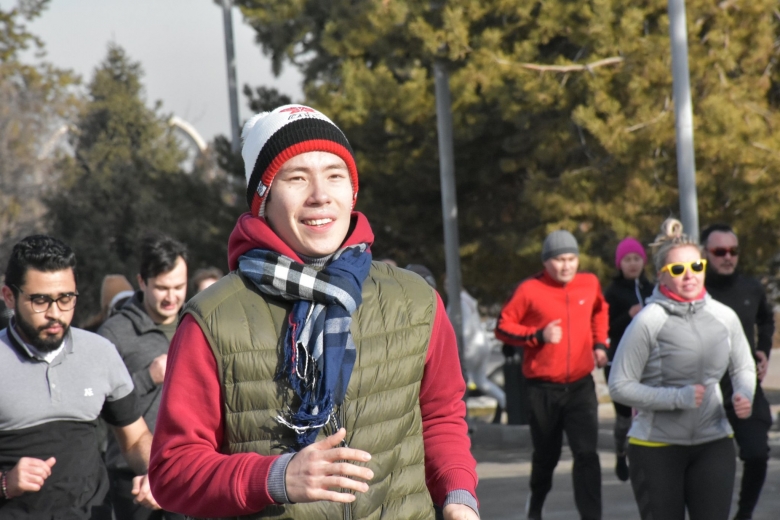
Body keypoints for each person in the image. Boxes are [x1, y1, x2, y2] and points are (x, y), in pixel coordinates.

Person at [148, 105, 479, 519]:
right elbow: (172, 471)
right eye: (297, 177)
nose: (320, 195)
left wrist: (458, 495)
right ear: (264, 199)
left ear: (352, 192)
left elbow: (441, 417)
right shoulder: (212, 319)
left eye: (335, 175)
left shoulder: (416, 300)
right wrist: (275, 477)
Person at [0, 235, 158, 519]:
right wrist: (4, 484)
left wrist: (154, 473)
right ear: (9, 296)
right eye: (40, 300)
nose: (55, 314)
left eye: (66, 299)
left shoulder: (100, 352)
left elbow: (135, 440)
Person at [609, 218, 756, 520]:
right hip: (655, 446)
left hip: (714, 441)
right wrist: (678, 398)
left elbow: (743, 366)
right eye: (678, 269)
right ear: (661, 276)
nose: (689, 276)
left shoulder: (724, 316)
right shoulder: (648, 320)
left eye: (696, 266)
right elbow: (619, 385)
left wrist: (744, 393)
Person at [495, 230, 609, 520]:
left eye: (571, 259)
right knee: (547, 456)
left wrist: (599, 344)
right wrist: (537, 335)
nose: (566, 266)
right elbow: (503, 326)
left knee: (587, 454)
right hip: (542, 388)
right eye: (559, 260)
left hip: (581, 386)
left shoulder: (589, 283)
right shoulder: (529, 290)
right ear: (546, 262)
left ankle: (592, 516)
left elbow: (600, 310)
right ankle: (535, 506)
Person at [98, 233, 188, 520]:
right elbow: (99, 405)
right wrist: (148, 377)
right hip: (132, 478)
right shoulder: (114, 333)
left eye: (179, 287)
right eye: (162, 288)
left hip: (188, 469)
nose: (171, 297)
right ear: (141, 282)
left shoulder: (197, 323)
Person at [702, 223, 774, 520]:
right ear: (705, 254)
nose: (728, 257)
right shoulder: (697, 291)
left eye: (733, 251)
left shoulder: (751, 288)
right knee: (707, 465)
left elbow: (766, 320)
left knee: (757, 453)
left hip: (744, 384)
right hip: (705, 389)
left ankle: (744, 514)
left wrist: (763, 350)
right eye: (720, 252)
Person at [603, 237, 653, 482]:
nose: (632, 264)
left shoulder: (652, 289)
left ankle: (644, 458)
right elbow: (606, 328)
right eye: (627, 260)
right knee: (624, 416)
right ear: (619, 264)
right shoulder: (613, 292)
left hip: (649, 362)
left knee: (646, 413)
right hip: (619, 361)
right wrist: (628, 316)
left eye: (636, 259)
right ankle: (621, 452)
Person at [449, 285, 506, 423]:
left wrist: (459, 347)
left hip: (470, 346)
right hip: (482, 344)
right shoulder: (469, 300)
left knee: (459, 381)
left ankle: (461, 416)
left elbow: (463, 327)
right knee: (481, 381)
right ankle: (505, 402)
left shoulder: (457, 302)